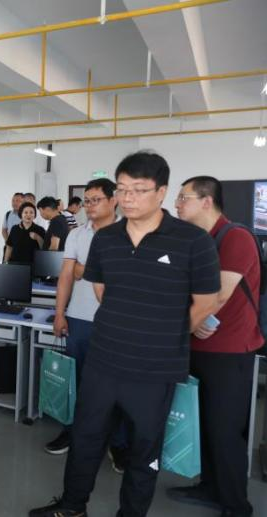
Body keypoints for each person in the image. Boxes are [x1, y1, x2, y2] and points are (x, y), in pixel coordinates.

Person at [30, 151, 221, 517]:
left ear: (161, 192)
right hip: (104, 359)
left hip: (154, 368)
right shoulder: (106, 239)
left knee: (143, 450)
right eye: (122, 189)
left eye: (138, 189)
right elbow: (101, 290)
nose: (128, 198)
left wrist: (161, 334)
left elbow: (206, 301)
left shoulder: (192, 240)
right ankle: (72, 507)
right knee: (85, 437)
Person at [171, 176, 261, 517]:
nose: (177, 204)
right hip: (200, 347)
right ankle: (210, 488)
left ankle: (236, 505)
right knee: (204, 424)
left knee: (225, 431)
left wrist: (183, 324)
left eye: (184, 197)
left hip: (230, 352)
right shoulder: (197, 240)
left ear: (207, 201)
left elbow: (218, 296)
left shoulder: (235, 237)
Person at [46, 179, 129, 472]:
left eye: (96, 200)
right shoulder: (77, 234)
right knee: (76, 381)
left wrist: (86, 269)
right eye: (87, 200)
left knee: (115, 387)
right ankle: (72, 431)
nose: (90, 206)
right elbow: (67, 276)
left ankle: (118, 443)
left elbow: (122, 278)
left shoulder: (129, 233)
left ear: (113, 201)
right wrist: (60, 313)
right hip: (79, 319)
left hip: (116, 323)